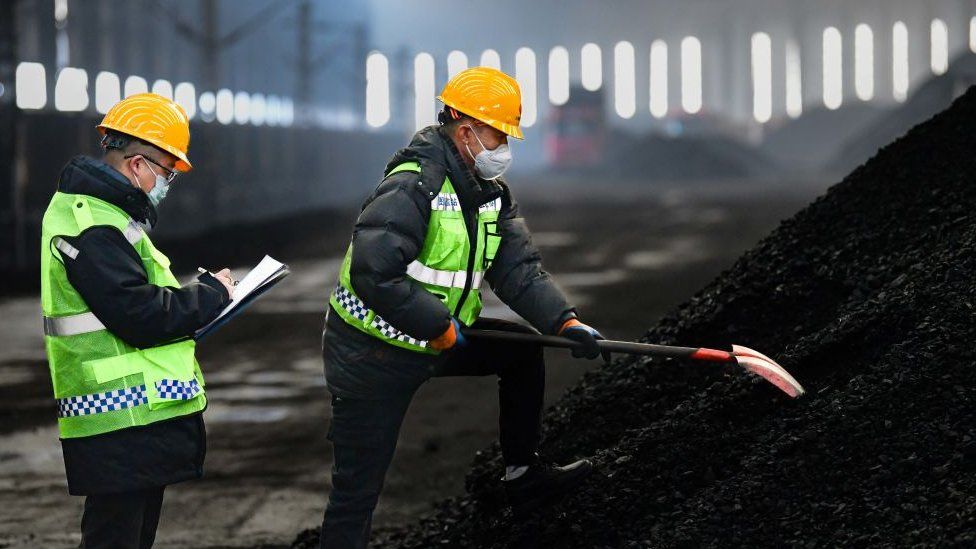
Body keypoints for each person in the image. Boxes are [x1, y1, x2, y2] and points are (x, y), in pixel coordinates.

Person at [318, 66, 607, 548]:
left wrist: (566, 320)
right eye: (499, 135)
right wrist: (437, 324)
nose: (505, 149)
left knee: (522, 351)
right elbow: (374, 270)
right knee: (356, 493)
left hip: (435, 335)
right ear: (467, 130)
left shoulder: (488, 192)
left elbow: (518, 269)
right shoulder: (414, 185)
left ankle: (522, 475)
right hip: (372, 352)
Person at [39, 93, 235, 548]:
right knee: (115, 539)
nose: (166, 182)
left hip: (131, 419)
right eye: (166, 172)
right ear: (136, 164)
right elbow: (141, 314)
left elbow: (143, 298)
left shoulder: (107, 217)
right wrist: (208, 297)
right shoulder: (92, 225)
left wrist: (202, 296)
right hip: (115, 418)